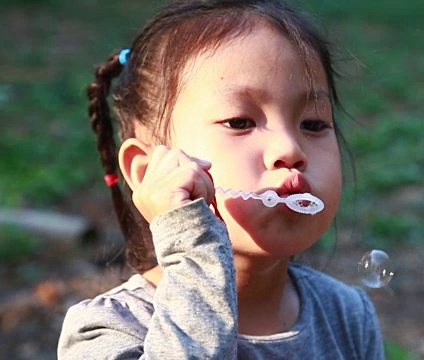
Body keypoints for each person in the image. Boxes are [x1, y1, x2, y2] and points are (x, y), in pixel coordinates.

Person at [58, 0, 385, 358]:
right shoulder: (107, 332)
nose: (289, 148)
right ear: (147, 170)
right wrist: (191, 238)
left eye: (313, 124)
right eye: (240, 122)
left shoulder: (348, 315)